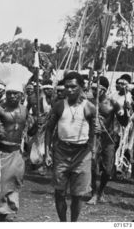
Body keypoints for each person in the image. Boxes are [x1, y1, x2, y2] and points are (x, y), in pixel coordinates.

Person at [45, 71, 97, 222]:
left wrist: (93, 150)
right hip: (61, 152)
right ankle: (63, 222)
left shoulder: (90, 107)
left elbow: (94, 132)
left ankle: (73, 223)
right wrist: (47, 152)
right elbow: (49, 129)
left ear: (81, 87)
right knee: (59, 192)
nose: (70, 90)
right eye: (67, 87)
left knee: (77, 194)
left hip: (82, 154)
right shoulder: (59, 105)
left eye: (74, 86)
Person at [0, 81, 27, 222]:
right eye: (9, 93)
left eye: (16, 93)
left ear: (21, 95)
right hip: (1, 153)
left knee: (14, 184)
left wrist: (37, 123)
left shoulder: (25, 110)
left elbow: (30, 130)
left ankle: (6, 213)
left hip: (17, 153)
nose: (12, 96)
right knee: (0, 188)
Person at [87, 76, 128, 205]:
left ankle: (100, 191)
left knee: (108, 170)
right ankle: (94, 194)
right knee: (93, 166)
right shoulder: (88, 103)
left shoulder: (112, 103)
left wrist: (125, 110)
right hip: (93, 138)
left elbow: (124, 122)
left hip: (108, 139)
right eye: (92, 88)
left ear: (104, 90)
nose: (94, 91)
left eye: (96, 88)